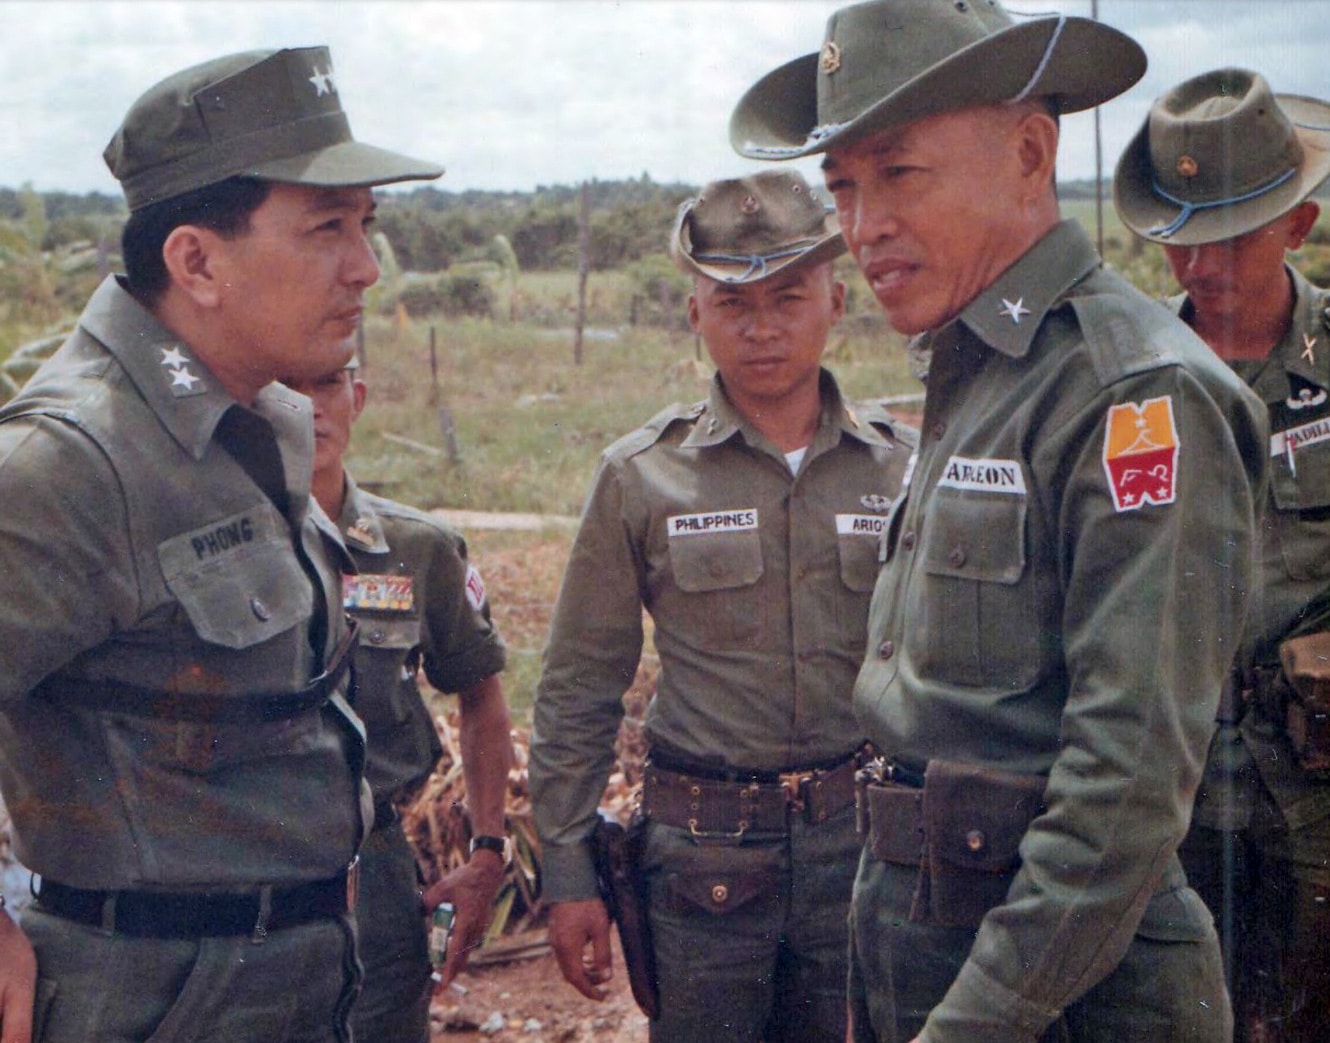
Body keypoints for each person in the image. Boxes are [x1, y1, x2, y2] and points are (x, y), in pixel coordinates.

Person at [730, 2, 1271, 1040]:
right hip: (932, 941)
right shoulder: (975, 370)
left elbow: (1124, 784)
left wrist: (974, 1020)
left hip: (1060, 994)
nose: (861, 224)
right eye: (841, 185)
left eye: (897, 172)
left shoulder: (1132, 395)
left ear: (1027, 151)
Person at [0, 47, 441, 1043]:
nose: (365, 266)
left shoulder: (263, 420)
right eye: (327, 228)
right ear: (195, 261)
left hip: (294, 973)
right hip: (154, 995)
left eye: (364, 225)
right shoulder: (69, 461)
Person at [528, 168, 917, 1043]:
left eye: (789, 296)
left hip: (859, 849)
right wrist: (566, 872)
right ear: (695, 314)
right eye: (732, 302)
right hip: (703, 862)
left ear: (837, 301)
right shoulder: (641, 475)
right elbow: (579, 683)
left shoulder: (904, 467)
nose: (763, 326)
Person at [1114, 68, 1330, 1043]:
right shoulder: (1128, 383)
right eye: (1181, 237)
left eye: (1230, 235)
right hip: (1175, 795)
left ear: (1300, 223)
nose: (1200, 266)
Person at [283, 357, 513, 1042]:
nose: (308, 408)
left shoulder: (416, 549)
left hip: (373, 863)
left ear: (356, 397)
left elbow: (483, 693)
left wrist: (488, 847)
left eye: (325, 386)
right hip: (240, 863)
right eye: (284, 388)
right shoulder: (210, 549)